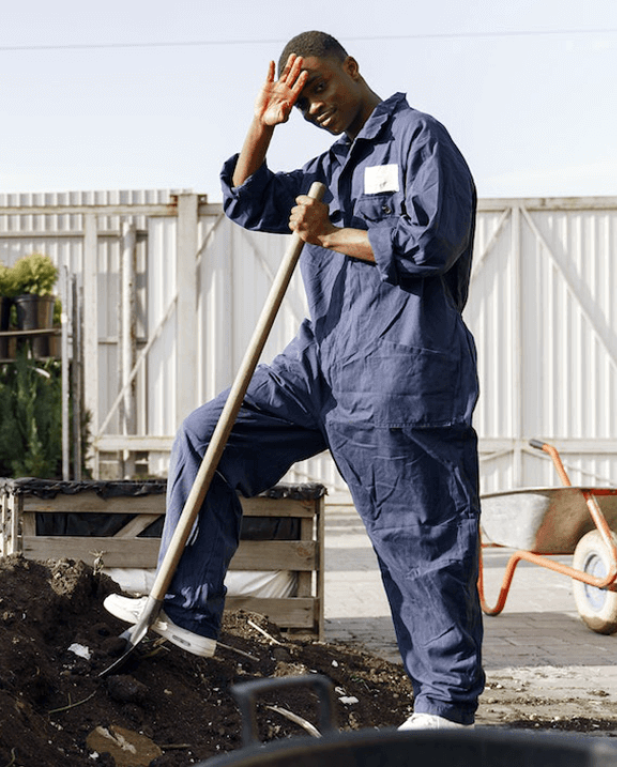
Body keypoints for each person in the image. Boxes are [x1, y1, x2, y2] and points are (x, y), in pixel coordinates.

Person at [105, 30, 484, 729]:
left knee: (418, 530)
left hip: (401, 361)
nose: (312, 106)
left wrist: (329, 233)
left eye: (318, 88)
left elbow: (435, 241)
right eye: (299, 99)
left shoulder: (419, 141)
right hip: (321, 362)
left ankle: (444, 706)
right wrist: (262, 125)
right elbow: (248, 200)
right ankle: (188, 612)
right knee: (206, 435)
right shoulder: (329, 165)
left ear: (352, 67)